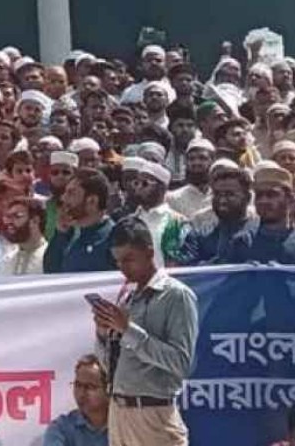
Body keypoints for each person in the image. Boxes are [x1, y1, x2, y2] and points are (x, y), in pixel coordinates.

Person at [91, 217, 197, 446]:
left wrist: (128, 330)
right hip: (119, 412)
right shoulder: (128, 298)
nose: (123, 268)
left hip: (154, 415)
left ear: (149, 252)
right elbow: (111, 367)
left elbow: (181, 363)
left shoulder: (176, 295)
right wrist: (103, 334)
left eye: (129, 259)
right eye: (118, 261)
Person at [176, 162, 255, 265]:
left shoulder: (260, 233)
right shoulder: (199, 234)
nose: (222, 200)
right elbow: (188, 269)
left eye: (230, 195)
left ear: (248, 198)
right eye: (217, 194)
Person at [221, 160, 295, 264]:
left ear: (290, 199)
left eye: (271, 195)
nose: (263, 201)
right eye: (259, 195)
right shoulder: (243, 242)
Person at [46, 169, 117, 273]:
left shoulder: (113, 239)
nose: (63, 198)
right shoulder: (68, 237)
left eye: (71, 193)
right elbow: (50, 271)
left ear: (92, 201)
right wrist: (60, 233)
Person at [42, 355, 109, 446]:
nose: (81, 394)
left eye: (89, 387)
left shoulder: (123, 426)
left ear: (108, 390)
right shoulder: (61, 428)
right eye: (77, 385)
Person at [0, 195, 48, 276]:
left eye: (17, 216)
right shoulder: (5, 263)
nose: (10, 222)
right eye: (8, 217)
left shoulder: (51, 258)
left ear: (35, 221)